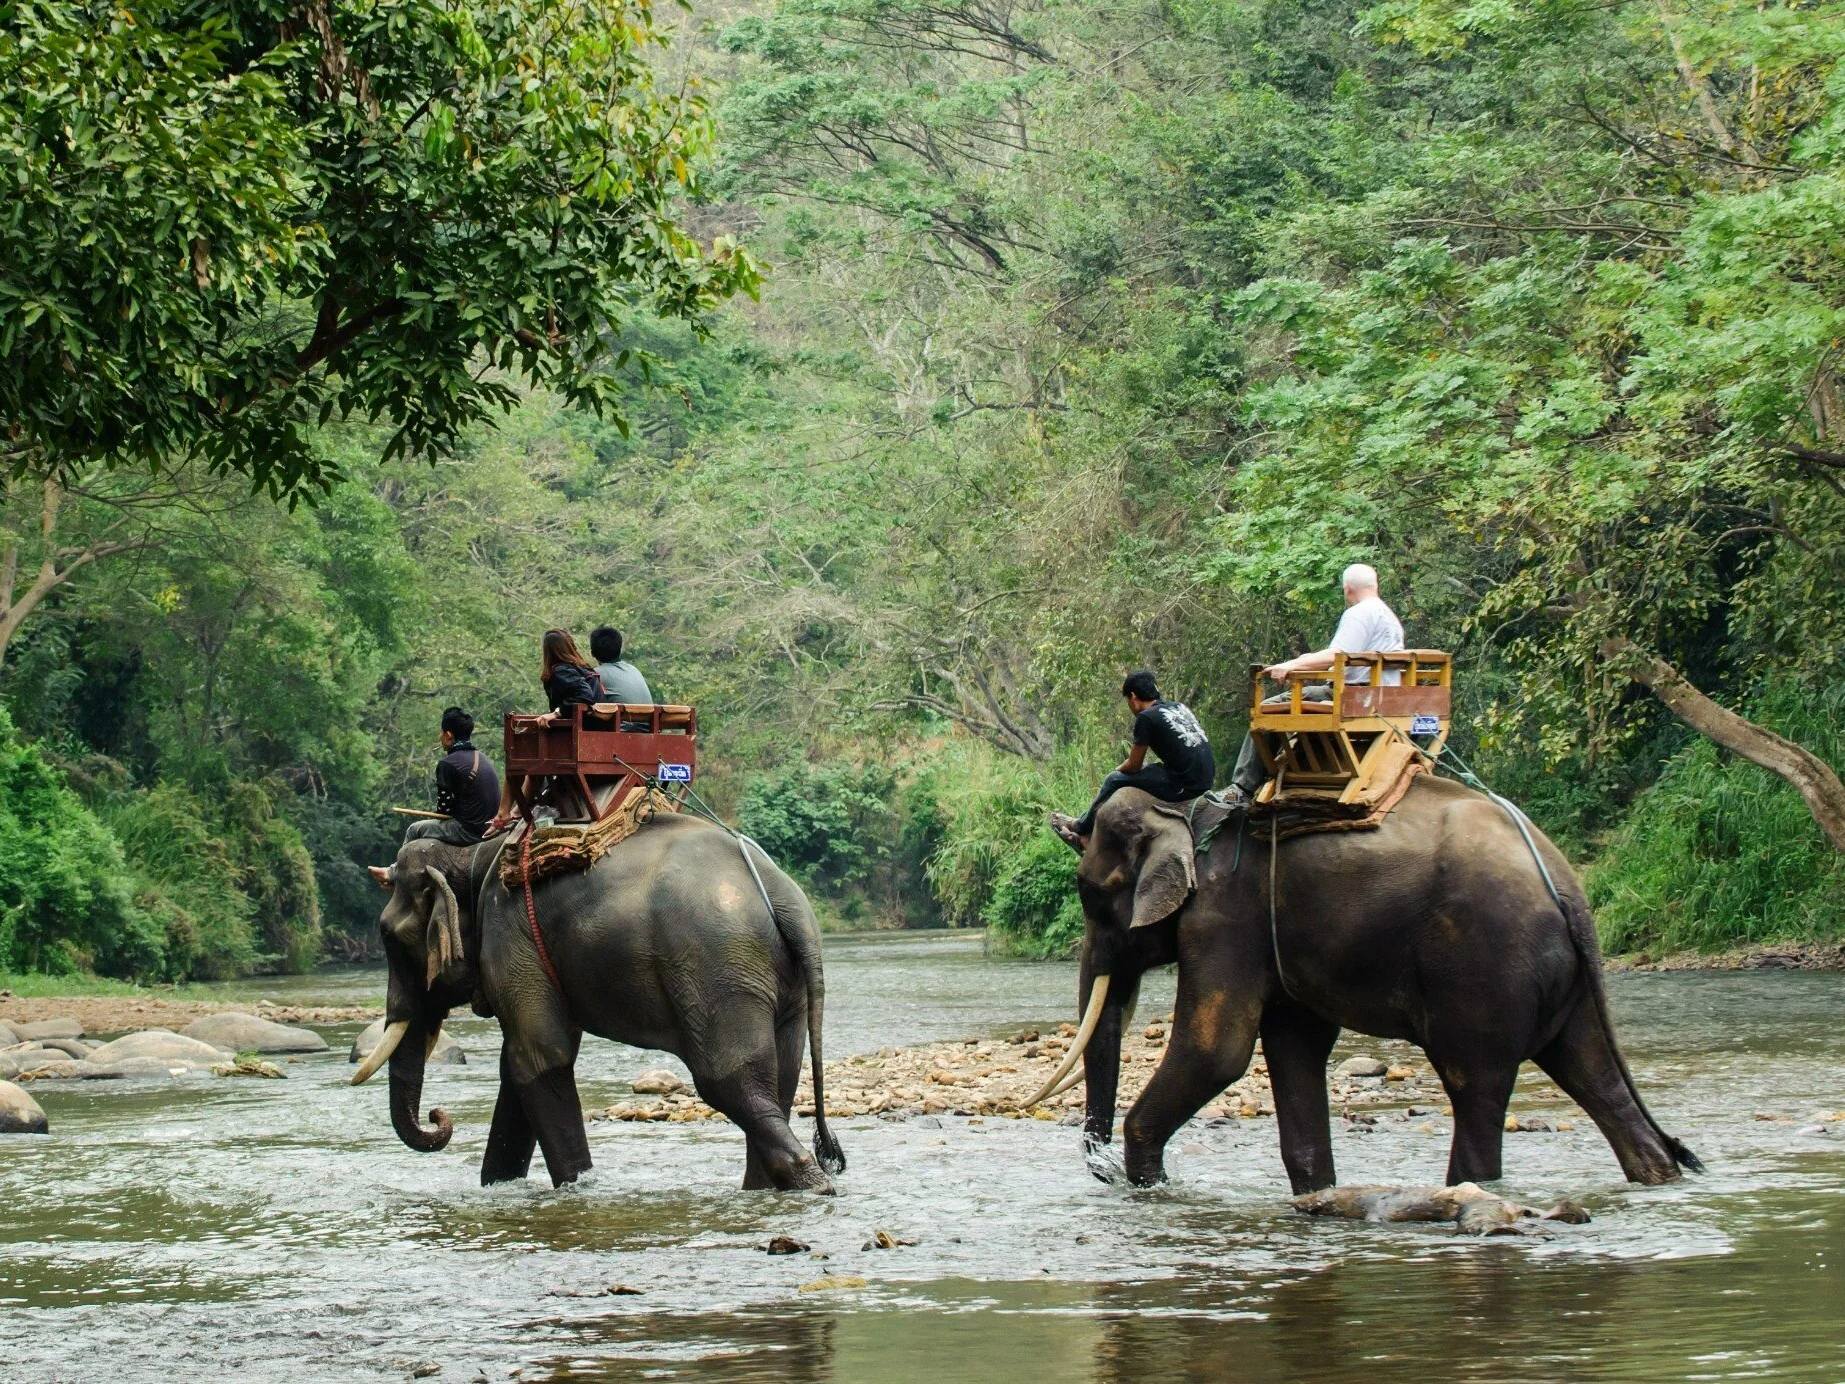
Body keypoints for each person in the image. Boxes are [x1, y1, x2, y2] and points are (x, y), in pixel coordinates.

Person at [1228, 562, 1405, 801]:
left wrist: (1291, 666)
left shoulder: (1359, 613)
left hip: (1354, 698)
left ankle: (1242, 788)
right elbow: (1343, 654)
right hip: (1384, 698)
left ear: (1347, 589)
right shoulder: (1388, 616)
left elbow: (1336, 655)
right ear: (1375, 585)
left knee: (1266, 709)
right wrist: (1304, 659)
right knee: (1310, 691)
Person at [1050, 670, 1215, 848]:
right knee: (1152, 769)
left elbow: (1133, 765)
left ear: (1133, 697)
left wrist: (1118, 768)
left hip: (1184, 786)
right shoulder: (1178, 707)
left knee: (1114, 779)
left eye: (1128, 700)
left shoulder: (1146, 717)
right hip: (1205, 779)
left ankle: (1081, 827)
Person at [368, 708, 501, 885]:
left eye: (441, 732)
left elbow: (443, 810)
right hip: (492, 827)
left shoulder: (447, 764)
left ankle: (394, 874)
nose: (440, 736)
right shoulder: (482, 757)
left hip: (470, 831)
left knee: (414, 829)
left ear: (448, 735)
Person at [537, 628, 605, 724]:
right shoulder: (583, 668)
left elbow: (584, 694)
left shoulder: (562, 671)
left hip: (585, 726)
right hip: (599, 724)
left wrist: (556, 713)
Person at [590, 626, 653, 706]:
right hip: (649, 717)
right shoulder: (634, 670)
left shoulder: (597, 674)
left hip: (624, 718)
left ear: (592, 653)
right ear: (620, 649)